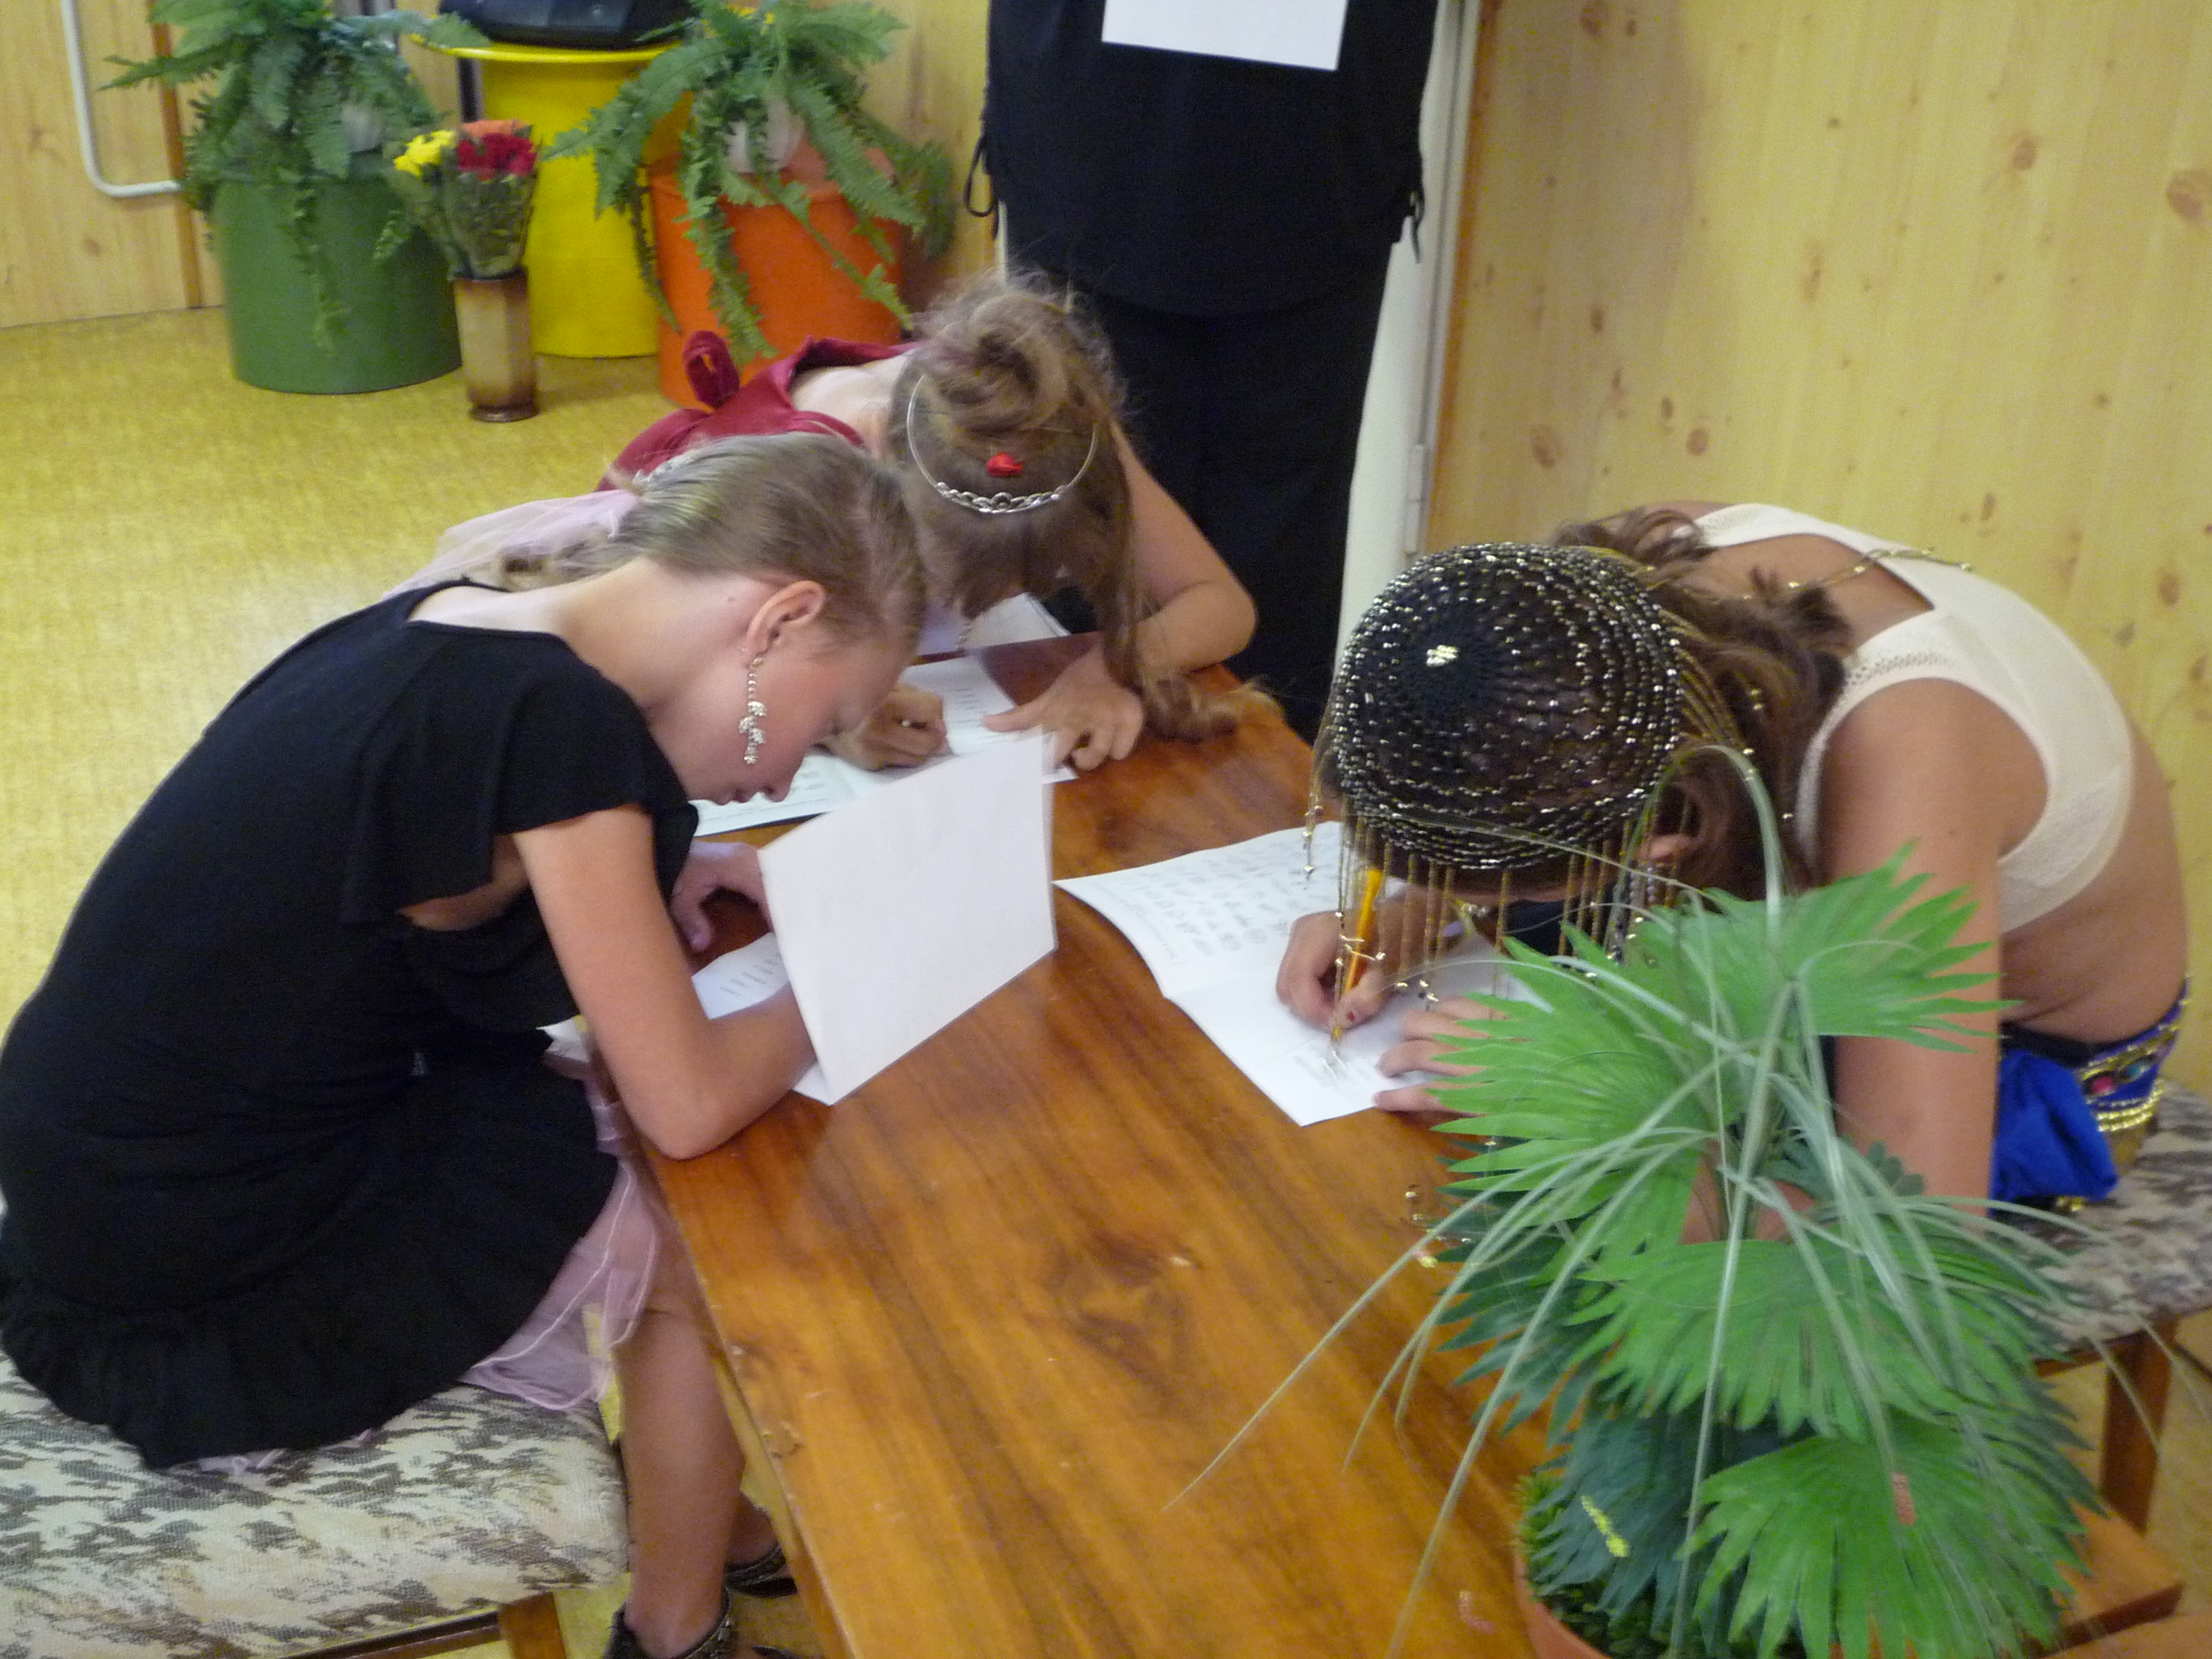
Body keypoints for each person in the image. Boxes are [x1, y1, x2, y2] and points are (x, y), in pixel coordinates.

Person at [0, 435, 924, 1659]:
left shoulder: (467, 617)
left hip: (85, 1161)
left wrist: (663, 864)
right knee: (704, 1240)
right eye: (829, 717)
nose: (800, 760)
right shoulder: (560, 727)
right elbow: (690, 1100)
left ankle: (705, 1513)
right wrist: (863, 968)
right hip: (185, 1236)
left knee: (617, 1144)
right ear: (779, 619)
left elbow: (399, 849)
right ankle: (675, 1631)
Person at [1278, 504, 2188, 1210]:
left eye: (1490, 888)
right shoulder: (1610, 594)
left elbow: (1904, 1227)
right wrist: (1415, 909)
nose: (1466, 903)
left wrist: (1586, 1114)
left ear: (1663, 853)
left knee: (1579, 1237)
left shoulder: (1906, 772)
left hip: (2016, 1069)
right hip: (1838, 937)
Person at [983, 0, 1442, 738]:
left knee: (1281, 566)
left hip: (1316, 155)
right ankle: (1073, 781)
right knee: (1087, 520)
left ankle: (1265, 802)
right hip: (1086, 134)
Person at [597, 272, 1261, 772]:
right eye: (945, 582)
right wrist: (831, 721)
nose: (981, 605)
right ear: (881, 468)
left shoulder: (1051, 430)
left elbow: (1221, 604)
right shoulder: (799, 476)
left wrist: (1109, 666)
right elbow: (650, 687)